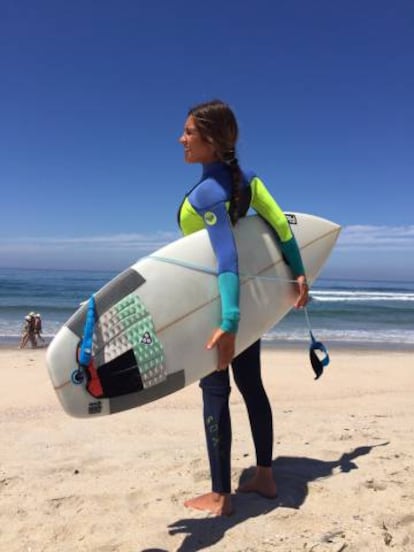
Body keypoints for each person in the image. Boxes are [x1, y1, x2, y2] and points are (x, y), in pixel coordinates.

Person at [177, 99, 309, 516]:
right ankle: (265, 477)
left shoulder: (207, 193)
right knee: (252, 387)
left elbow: (226, 257)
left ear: (211, 142)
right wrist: (299, 273)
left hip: (218, 309)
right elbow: (282, 227)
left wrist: (228, 322)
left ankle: (221, 496)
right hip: (251, 304)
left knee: (215, 392)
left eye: (189, 133)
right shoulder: (248, 181)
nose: (181, 139)